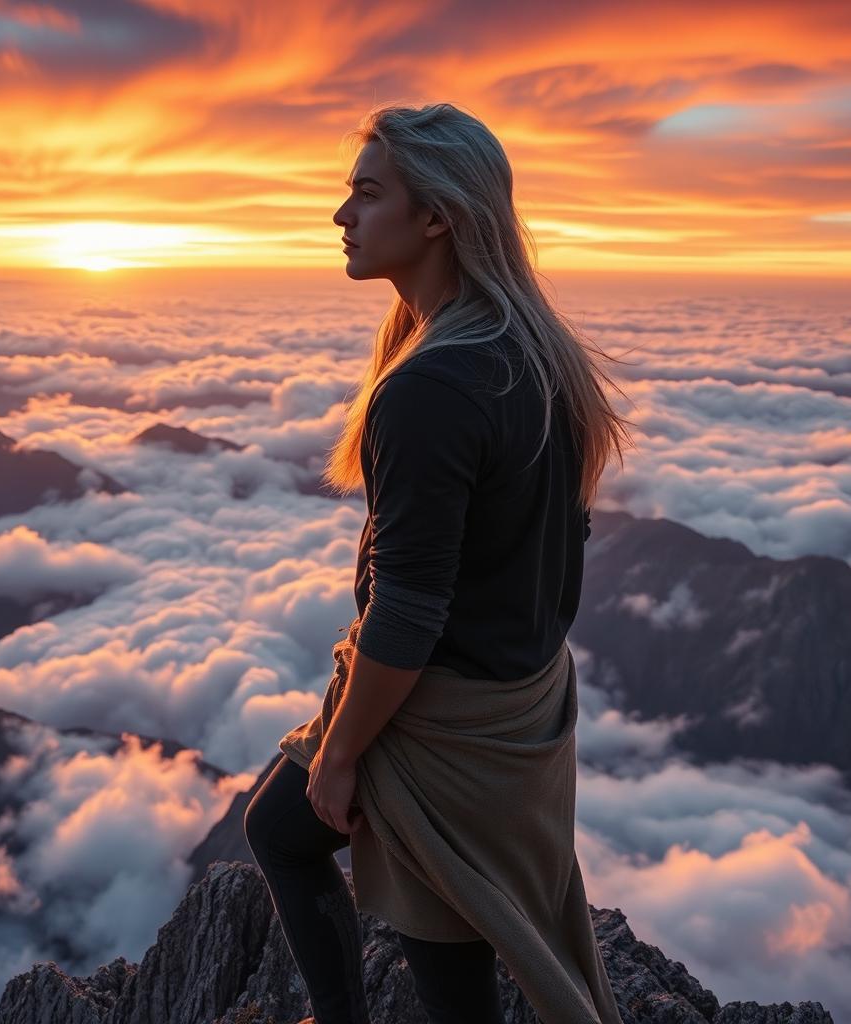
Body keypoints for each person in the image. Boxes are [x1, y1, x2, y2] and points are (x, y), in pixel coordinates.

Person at [244, 101, 635, 1024]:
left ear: (437, 216)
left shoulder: (428, 389)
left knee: (291, 834)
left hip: (447, 717)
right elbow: (560, 541)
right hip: (521, 704)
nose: (342, 213)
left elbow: (410, 611)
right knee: (449, 944)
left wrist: (341, 755)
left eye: (367, 192)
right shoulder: (538, 358)